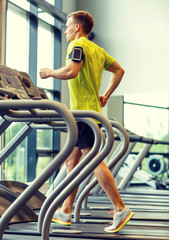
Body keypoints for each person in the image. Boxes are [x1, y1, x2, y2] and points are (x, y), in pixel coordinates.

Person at [39, 10, 134, 233]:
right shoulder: (98, 51)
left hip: (84, 116)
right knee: (71, 162)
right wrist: (107, 94)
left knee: (92, 161)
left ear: (77, 28)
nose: (64, 31)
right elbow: (119, 70)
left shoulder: (76, 46)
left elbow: (73, 71)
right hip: (86, 115)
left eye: (67, 26)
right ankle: (65, 210)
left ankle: (120, 209)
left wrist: (50, 73)